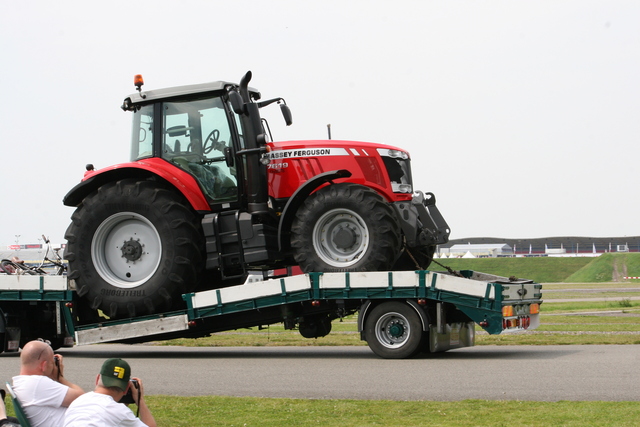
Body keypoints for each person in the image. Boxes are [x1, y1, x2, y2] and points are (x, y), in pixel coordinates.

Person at [63, 358, 156, 427]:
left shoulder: (78, 402)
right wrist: (140, 400)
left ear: (97, 379)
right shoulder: (121, 412)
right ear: (127, 388)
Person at [12, 340, 84, 427]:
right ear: (44, 365)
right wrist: (60, 378)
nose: (54, 366)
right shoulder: (38, 384)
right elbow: (82, 399)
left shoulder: (21, 382)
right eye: (52, 363)